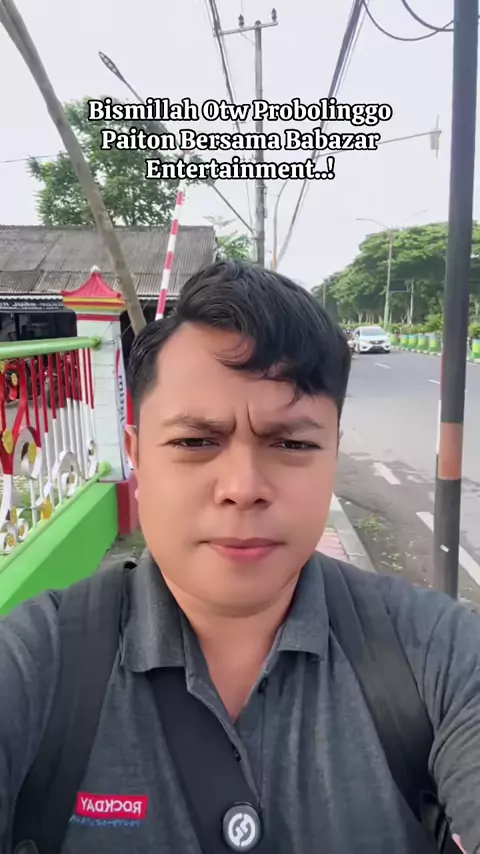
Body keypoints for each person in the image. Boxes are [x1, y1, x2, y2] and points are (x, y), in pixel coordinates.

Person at [0, 260, 479, 853]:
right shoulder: (35, 666)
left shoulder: (439, 656)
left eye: (292, 443)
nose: (243, 486)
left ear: (333, 454)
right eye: (195, 441)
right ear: (137, 458)